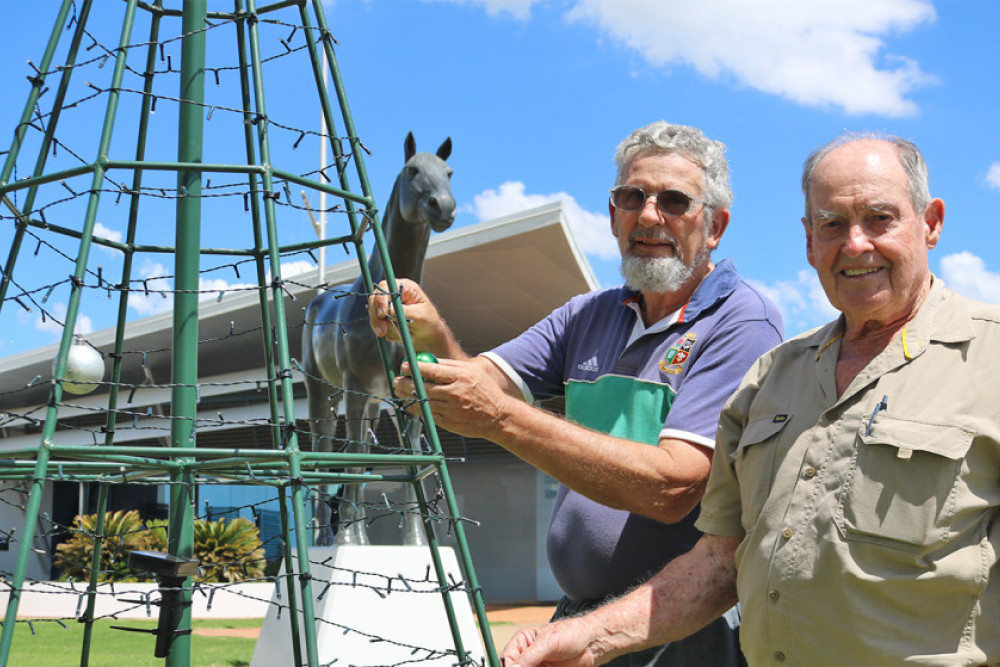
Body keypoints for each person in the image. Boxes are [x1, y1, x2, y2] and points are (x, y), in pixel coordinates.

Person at [501, 133, 1000, 667]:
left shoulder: (989, 360)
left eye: (880, 218)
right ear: (809, 241)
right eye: (832, 224)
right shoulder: (771, 379)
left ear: (930, 223)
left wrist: (501, 418)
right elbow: (719, 564)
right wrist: (590, 636)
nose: (855, 244)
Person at [370, 120, 783, 666]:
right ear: (613, 215)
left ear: (714, 226)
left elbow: (672, 487)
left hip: (681, 634)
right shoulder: (586, 314)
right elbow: (476, 382)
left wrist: (501, 419)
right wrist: (426, 328)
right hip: (581, 616)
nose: (649, 214)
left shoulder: (742, 321)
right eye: (631, 196)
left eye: (675, 201)